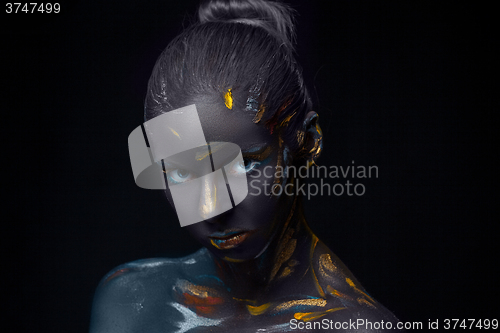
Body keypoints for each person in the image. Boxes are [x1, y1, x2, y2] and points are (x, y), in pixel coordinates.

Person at [90, 0, 401, 331]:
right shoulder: (131, 303)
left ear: (307, 142)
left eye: (243, 164)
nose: (211, 208)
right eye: (181, 172)